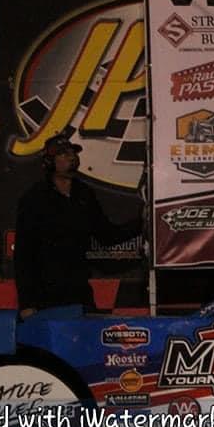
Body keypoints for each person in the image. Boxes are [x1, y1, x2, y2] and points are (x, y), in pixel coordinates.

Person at [14, 134, 141, 316]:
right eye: (64, 154)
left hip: (79, 290)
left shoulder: (84, 194)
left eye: (73, 153)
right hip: (44, 295)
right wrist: (27, 303)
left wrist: (142, 224)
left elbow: (107, 235)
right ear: (49, 162)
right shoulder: (34, 198)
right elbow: (23, 255)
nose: (71, 157)